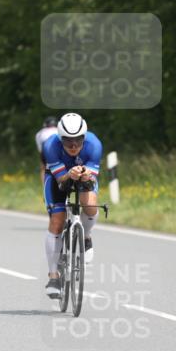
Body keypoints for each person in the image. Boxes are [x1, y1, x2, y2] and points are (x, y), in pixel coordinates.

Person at [41, 113, 102, 297]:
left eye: (78, 141)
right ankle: (53, 275)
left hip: (84, 177)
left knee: (90, 206)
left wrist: (84, 175)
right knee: (57, 221)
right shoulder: (50, 146)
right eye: (68, 142)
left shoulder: (94, 145)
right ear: (61, 139)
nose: (74, 146)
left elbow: (91, 179)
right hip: (57, 179)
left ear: (84, 137)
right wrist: (69, 175)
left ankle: (86, 236)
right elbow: (61, 182)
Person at [35, 116, 58, 185]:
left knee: (43, 168)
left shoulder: (39, 133)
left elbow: (40, 149)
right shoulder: (59, 130)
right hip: (56, 147)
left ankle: (45, 186)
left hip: (45, 148)